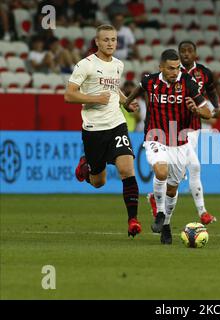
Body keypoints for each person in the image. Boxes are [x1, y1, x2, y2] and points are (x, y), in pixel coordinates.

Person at [124, 49, 212, 244]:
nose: (175, 72)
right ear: (161, 68)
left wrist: (196, 110)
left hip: (179, 141)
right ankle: (160, 213)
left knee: (172, 189)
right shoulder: (151, 81)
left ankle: (166, 224)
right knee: (161, 172)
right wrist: (127, 103)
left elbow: (208, 112)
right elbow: (139, 89)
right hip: (155, 135)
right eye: (170, 68)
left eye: (177, 68)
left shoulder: (188, 83)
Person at [64, 24, 142, 239]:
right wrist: (95, 99)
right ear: (97, 42)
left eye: (113, 40)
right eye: (106, 40)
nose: (110, 43)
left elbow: (113, 88)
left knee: (127, 169)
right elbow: (69, 95)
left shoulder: (118, 64)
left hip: (116, 124)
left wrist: (126, 102)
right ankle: (86, 165)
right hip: (93, 129)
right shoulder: (85, 65)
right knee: (99, 182)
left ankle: (133, 220)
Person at [147, 40, 220, 225]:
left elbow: (211, 91)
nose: (186, 54)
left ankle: (159, 204)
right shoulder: (171, 75)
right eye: (183, 51)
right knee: (194, 166)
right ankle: (202, 211)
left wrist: (216, 107)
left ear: (195, 54)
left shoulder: (203, 72)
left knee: (178, 177)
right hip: (169, 130)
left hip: (193, 128)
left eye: (190, 51)